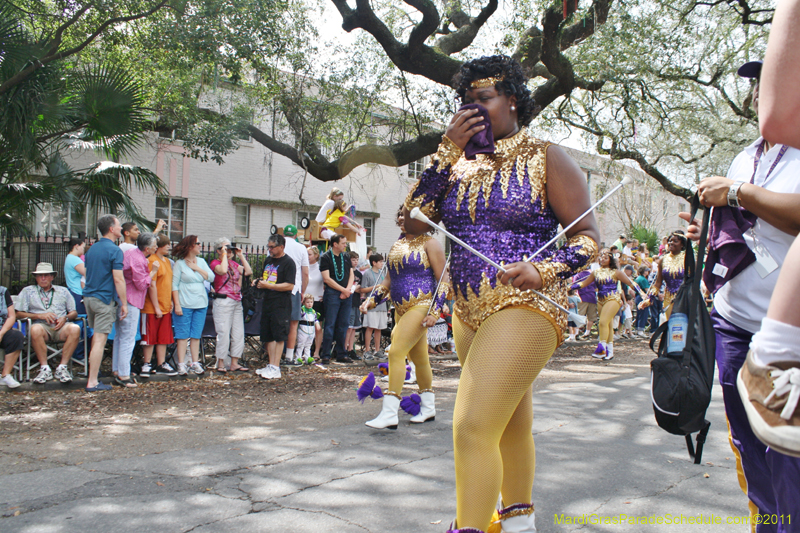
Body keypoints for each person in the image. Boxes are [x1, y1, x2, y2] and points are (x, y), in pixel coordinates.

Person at [402, 55, 600, 533]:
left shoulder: (546, 155)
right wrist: (446, 151)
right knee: (507, 422)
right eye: (466, 102)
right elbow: (411, 223)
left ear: (512, 98)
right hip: (467, 310)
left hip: (527, 304)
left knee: (471, 426)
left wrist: (545, 266)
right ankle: (518, 522)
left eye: (484, 98)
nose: (474, 109)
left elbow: (590, 238)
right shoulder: (454, 165)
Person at [679, 58, 800, 530]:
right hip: (731, 322)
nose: (759, 92)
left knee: (785, 443)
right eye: (757, 84)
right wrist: (707, 231)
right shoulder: (745, 155)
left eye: (771, 82)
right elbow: (748, 224)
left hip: (787, 332)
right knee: (747, 438)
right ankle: (768, 522)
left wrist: (736, 194)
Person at [360, 209, 446, 429]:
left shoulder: (431, 244)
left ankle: (390, 412)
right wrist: (371, 301)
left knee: (396, 352)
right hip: (400, 309)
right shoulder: (396, 246)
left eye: (405, 214)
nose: (400, 218)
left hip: (421, 305)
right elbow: (387, 281)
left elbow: (444, 279)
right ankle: (428, 408)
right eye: (398, 214)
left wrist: (435, 312)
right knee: (420, 359)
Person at [15, 263, 81, 384]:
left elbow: (74, 312)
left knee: (75, 328)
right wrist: (39, 315)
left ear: (52, 277)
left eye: (46, 275)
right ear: (36, 277)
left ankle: (62, 367)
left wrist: (65, 317)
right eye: (40, 276)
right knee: (35, 329)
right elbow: (18, 314)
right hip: (41, 326)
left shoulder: (63, 291)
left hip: (60, 326)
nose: (43, 278)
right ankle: (44, 368)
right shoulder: (28, 291)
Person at [83, 214, 127, 392]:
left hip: (89, 297)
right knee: (100, 340)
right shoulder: (115, 250)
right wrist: (124, 302)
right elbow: (118, 279)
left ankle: (92, 378)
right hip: (103, 299)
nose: (121, 229)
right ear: (111, 229)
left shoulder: (91, 249)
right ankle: (92, 381)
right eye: (118, 226)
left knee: (96, 339)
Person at [574, 250, 639, 361]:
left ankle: (601, 348)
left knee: (602, 322)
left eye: (605, 258)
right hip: (600, 300)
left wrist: (642, 292)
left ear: (610, 260)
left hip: (613, 298)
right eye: (601, 258)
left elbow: (630, 283)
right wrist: (570, 287)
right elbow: (584, 283)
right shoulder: (596, 272)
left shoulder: (616, 272)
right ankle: (610, 352)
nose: (602, 259)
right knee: (607, 325)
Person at [112, 233, 158, 387]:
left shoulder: (130, 253)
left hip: (121, 297)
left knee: (120, 336)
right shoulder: (138, 259)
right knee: (128, 338)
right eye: (154, 245)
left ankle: (117, 369)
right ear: (147, 248)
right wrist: (153, 272)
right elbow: (141, 284)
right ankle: (124, 374)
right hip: (131, 300)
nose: (156, 247)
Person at [172, 235, 214, 376]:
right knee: (182, 335)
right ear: (190, 246)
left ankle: (195, 362)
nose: (200, 246)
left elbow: (211, 277)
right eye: (197, 243)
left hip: (200, 303)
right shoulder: (180, 264)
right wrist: (177, 304)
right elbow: (174, 285)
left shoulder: (201, 262)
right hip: (184, 303)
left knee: (196, 335)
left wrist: (196, 268)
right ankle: (181, 364)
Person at [254, 234, 295, 379]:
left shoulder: (288, 262)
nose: (269, 249)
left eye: (272, 247)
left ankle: (276, 367)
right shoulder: (268, 260)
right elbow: (266, 278)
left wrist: (269, 285)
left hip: (281, 303)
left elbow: (289, 285)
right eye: (268, 246)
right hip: (268, 301)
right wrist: (259, 282)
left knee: (279, 335)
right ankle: (271, 364)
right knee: (268, 334)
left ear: (281, 247)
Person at [209, 238, 252, 373]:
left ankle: (234, 362)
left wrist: (240, 255)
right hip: (223, 301)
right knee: (223, 332)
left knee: (238, 332)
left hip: (236, 300)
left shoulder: (234, 263)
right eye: (225, 249)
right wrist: (223, 256)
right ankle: (220, 362)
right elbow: (221, 271)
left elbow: (248, 272)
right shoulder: (215, 263)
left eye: (229, 249)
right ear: (218, 251)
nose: (228, 251)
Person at [140, 234, 176, 376]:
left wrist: (171, 301)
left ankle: (161, 363)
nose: (169, 246)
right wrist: (156, 307)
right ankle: (147, 363)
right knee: (149, 337)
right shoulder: (152, 261)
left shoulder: (167, 261)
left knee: (163, 337)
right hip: (151, 308)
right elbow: (151, 285)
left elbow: (168, 283)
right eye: (166, 244)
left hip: (166, 306)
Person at [319, 233, 354, 364]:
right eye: (343, 243)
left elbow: (351, 274)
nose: (345, 245)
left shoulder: (346, 256)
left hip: (346, 294)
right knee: (330, 324)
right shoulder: (326, 257)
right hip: (333, 294)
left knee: (343, 324)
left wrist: (347, 290)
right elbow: (327, 278)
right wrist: (342, 290)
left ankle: (341, 353)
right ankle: (326, 354)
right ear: (335, 244)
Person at [639, 232, 687, 320]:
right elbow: (658, 283)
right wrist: (650, 299)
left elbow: (693, 281)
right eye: (670, 241)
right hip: (668, 299)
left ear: (682, 245)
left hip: (684, 298)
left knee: (683, 327)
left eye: (675, 241)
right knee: (671, 327)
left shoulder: (687, 258)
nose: (671, 243)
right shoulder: (663, 260)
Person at [281, 225, 309, 366]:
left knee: (277, 322)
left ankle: (273, 355)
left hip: (277, 289)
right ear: (296, 234)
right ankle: (289, 356)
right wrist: (303, 290)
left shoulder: (277, 246)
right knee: (293, 324)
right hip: (294, 289)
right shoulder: (301, 248)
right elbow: (305, 273)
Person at [360, 253, 388, 360]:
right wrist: (375, 287)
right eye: (380, 262)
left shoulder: (382, 273)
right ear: (374, 263)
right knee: (370, 327)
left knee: (379, 328)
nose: (382, 263)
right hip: (371, 305)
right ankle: (367, 350)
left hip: (382, 305)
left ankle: (377, 349)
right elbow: (363, 289)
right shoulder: (367, 274)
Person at [0, 284, 24, 388]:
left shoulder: (3, 291)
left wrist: (1, 333)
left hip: (2, 329)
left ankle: (5, 375)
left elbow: (11, 316)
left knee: (16, 336)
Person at [306, 246, 325, 359]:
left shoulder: (320, 268)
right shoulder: (303, 267)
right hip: (304, 300)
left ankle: (317, 351)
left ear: (316, 255)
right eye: (306, 254)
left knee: (318, 327)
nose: (307, 257)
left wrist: (324, 294)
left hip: (317, 301)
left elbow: (326, 281)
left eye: (310, 254)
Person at [344, 251, 362, 360]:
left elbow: (361, 288)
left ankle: (351, 349)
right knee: (349, 327)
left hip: (356, 302)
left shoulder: (359, 274)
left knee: (354, 327)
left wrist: (356, 288)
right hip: (348, 302)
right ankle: (344, 348)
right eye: (353, 260)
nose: (355, 262)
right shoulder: (347, 272)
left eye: (357, 260)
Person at [572, 269, 597, 339]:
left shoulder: (578, 275)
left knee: (579, 315)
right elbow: (595, 287)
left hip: (582, 297)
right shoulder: (591, 275)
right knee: (591, 316)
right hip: (592, 297)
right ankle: (587, 332)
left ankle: (576, 333)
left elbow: (575, 287)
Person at [64, 238, 86, 314]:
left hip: (74, 290)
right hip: (78, 292)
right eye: (82, 247)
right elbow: (88, 273)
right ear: (76, 246)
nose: (83, 250)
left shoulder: (69, 258)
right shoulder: (74, 259)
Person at [296, 294, 320, 365]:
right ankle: (298, 357)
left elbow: (315, 319)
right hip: (303, 330)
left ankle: (307, 357)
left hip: (311, 331)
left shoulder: (313, 312)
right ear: (303, 303)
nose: (309, 304)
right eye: (307, 302)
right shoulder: (302, 311)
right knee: (301, 344)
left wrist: (317, 324)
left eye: (311, 302)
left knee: (308, 345)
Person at [633, 265, 651, 337]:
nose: (647, 272)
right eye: (646, 270)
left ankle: (637, 329)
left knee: (639, 313)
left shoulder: (638, 278)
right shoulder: (643, 279)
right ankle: (640, 330)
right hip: (642, 297)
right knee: (643, 313)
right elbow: (647, 289)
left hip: (638, 297)